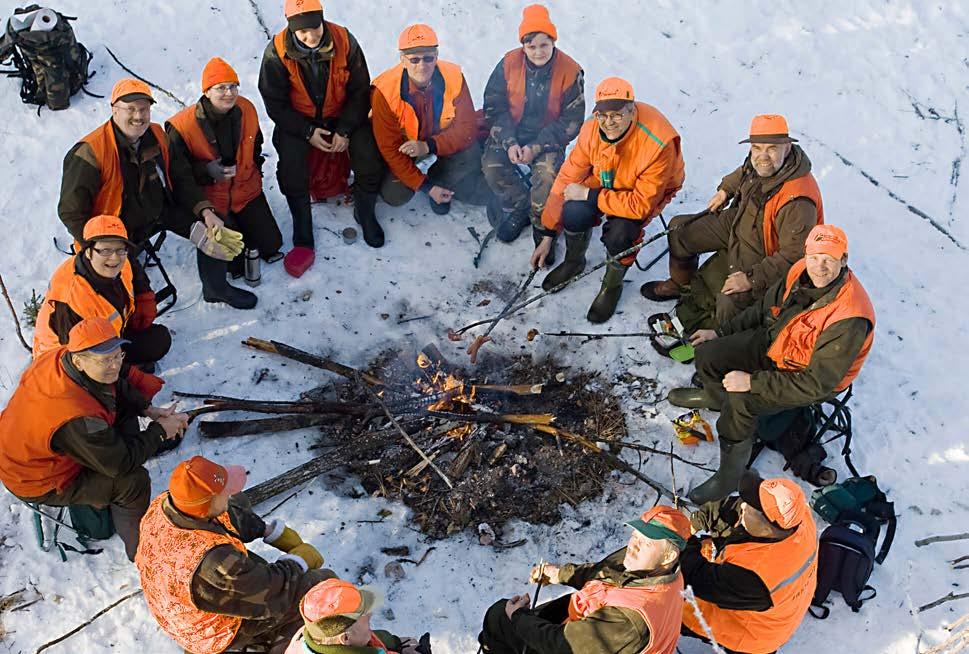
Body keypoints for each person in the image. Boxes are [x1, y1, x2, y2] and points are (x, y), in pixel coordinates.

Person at [669, 225, 875, 504]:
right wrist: (720, 332)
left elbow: (816, 384)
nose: (820, 267)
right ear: (806, 254)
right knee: (708, 355)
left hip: (805, 378)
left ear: (844, 260)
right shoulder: (798, 271)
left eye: (829, 259)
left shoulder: (849, 316)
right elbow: (763, 309)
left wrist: (751, 382)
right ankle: (718, 399)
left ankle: (730, 474)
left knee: (742, 399)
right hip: (776, 345)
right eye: (815, 257)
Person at [58, 78, 257, 309]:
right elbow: (70, 212)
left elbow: (181, 178)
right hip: (116, 229)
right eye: (130, 109)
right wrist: (98, 246)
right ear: (114, 110)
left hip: (158, 212)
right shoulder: (90, 152)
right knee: (136, 293)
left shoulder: (157, 135)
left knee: (215, 232)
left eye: (143, 109)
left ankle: (216, 289)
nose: (138, 116)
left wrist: (206, 211)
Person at [0, 317, 187, 561]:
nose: (114, 365)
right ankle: (144, 552)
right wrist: (159, 432)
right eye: (105, 360)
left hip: (29, 447)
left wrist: (148, 409)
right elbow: (118, 464)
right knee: (132, 481)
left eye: (118, 356)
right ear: (78, 360)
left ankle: (133, 452)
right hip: (37, 478)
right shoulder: (74, 415)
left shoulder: (60, 358)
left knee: (123, 415)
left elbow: (114, 384)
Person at [641, 114, 823, 332]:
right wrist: (725, 190)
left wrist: (751, 279)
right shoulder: (761, 162)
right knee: (680, 230)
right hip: (739, 220)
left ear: (787, 147)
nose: (762, 156)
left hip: (765, 251)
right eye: (757, 148)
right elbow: (744, 172)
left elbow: (794, 256)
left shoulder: (798, 201)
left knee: (730, 298)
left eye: (772, 148)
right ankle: (680, 285)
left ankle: (717, 340)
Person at [136, 455, 334, 654]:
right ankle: (280, 644)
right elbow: (272, 591)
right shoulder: (215, 562)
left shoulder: (167, 503)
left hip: (184, 596)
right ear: (206, 506)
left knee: (239, 504)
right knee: (320, 585)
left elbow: (225, 514)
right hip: (209, 633)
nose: (229, 495)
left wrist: (267, 530)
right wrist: (298, 561)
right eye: (224, 493)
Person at [531, 77, 685, 323]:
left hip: (642, 191)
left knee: (622, 232)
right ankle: (574, 260)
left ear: (632, 110)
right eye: (603, 116)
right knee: (573, 210)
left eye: (617, 115)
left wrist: (591, 195)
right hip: (607, 176)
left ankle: (612, 285)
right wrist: (548, 231)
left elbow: (639, 205)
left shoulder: (658, 143)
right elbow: (567, 179)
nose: (609, 123)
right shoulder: (592, 128)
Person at [258, 0, 385, 262]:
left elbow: (360, 90)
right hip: (299, 121)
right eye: (302, 32)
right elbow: (275, 103)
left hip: (342, 116)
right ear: (291, 28)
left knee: (368, 153)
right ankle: (302, 226)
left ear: (322, 20)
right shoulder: (276, 52)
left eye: (314, 27)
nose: (310, 36)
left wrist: (346, 129)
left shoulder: (345, 40)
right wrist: (307, 131)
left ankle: (365, 210)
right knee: (291, 166)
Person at [478, 505, 690, 654]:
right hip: (587, 624)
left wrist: (517, 617)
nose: (633, 546)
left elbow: (562, 646)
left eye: (646, 543)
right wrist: (560, 574)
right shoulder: (661, 569)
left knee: (499, 617)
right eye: (635, 536)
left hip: (576, 643)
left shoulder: (630, 620)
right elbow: (603, 573)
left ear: (669, 556)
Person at [166, 57, 283, 279]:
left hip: (246, 192)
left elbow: (255, 144)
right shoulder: (182, 127)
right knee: (234, 262)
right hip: (212, 199)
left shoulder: (246, 108)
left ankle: (246, 221)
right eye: (220, 88)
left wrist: (251, 171)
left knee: (271, 244)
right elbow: (179, 176)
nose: (229, 93)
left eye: (233, 86)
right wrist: (207, 172)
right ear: (207, 92)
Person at [481, 4, 585, 253]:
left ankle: (542, 225)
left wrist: (536, 146)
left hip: (547, 138)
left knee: (547, 175)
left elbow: (571, 122)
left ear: (553, 42)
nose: (538, 52)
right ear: (523, 46)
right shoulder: (507, 64)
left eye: (544, 45)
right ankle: (521, 207)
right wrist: (509, 142)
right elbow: (493, 107)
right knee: (491, 167)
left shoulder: (570, 71)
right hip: (512, 133)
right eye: (531, 46)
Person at [372, 24, 501, 221]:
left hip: (439, 141)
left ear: (436, 56)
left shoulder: (454, 78)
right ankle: (436, 185)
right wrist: (426, 187)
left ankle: (442, 177)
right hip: (406, 149)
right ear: (402, 60)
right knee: (395, 195)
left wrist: (429, 146)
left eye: (428, 58)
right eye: (414, 59)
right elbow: (389, 148)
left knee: (469, 155)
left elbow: (466, 128)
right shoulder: (385, 91)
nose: (422, 65)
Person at [33, 215, 171, 398]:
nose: (114, 258)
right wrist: (132, 376)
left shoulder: (119, 262)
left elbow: (134, 269)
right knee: (116, 402)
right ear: (88, 251)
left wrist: (145, 296)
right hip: (69, 365)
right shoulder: (71, 301)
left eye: (121, 250)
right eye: (105, 250)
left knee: (159, 340)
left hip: (109, 339)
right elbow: (82, 362)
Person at [681, 472, 819, 654]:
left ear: (765, 529)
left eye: (750, 509)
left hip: (754, 635)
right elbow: (734, 507)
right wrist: (699, 520)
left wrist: (681, 539)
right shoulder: (796, 515)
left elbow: (696, 578)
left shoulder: (755, 576)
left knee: (674, 608)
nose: (744, 506)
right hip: (781, 609)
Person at [284, 578, 428, 654]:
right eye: (365, 618)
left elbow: (363, 639)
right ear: (345, 638)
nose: (370, 614)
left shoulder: (312, 633)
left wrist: (394, 643)